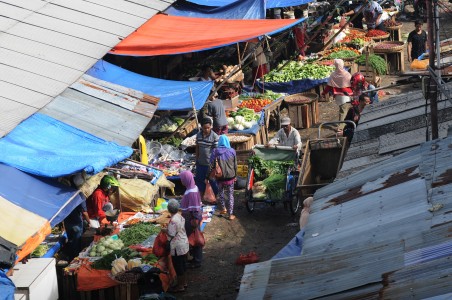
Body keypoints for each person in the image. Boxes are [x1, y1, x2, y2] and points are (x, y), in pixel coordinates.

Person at [208, 135, 237, 220]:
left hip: (219, 177)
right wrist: (235, 175)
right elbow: (235, 165)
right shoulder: (232, 151)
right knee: (230, 195)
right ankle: (230, 214)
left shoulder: (215, 151)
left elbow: (211, 165)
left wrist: (208, 176)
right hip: (230, 177)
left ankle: (223, 208)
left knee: (221, 192)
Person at [321, 59, 353, 133]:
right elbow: (352, 84)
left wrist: (323, 93)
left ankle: (344, 124)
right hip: (345, 96)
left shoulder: (333, 75)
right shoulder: (347, 74)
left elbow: (328, 87)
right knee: (343, 111)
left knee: (342, 110)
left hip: (338, 96)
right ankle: (341, 127)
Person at [179, 171, 203, 269]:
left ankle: (197, 261)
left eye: (182, 179)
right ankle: (195, 258)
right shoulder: (193, 187)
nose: (181, 181)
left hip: (191, 219)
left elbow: (194, 209)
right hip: (191, 218)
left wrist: (195, 221)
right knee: (194, 238)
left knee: (194, 239)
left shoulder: (191, 192)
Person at [164, 199, 189, 293]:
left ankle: (180, 286)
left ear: (169, 209)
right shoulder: (179, 216)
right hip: (184, 242)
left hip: (177, 246)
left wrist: (164, 230)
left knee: (178, 267)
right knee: (183, 264)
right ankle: (184, 282)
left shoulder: (173, 220)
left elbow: (171, 234)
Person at [195, 118, 219, 199]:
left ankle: (216, 197)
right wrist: (196, 159)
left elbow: (216, 151)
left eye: (208, 128)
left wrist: (215, 164)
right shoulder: (198, 135)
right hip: (200, 163)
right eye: (205, 128)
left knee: (212, 181)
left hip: (210, 164)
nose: (206, 129)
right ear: (201, 127)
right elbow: (197, 147)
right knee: (200, 181)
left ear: (211, 127)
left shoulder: (214, 136)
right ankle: (201, 198)